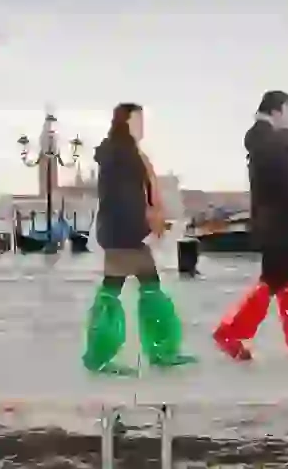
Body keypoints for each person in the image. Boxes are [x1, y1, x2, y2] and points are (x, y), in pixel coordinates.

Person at [212, 90, 288, 361]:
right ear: (277, 111)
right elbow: (281, 187)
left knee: (284, 280)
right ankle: (232, 332)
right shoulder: (269, 142)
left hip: (276, 222)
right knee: (278, 280)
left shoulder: (265, 141)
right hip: (279, 223)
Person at [82, 103, 195, 374]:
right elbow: (125, 197)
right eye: (138, 121)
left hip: (122, 232)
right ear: (126, 122)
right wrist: (145, 226)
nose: (142, 126)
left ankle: (156, 350)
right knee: (124, 289)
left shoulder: (121, 152)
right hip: (125, 233)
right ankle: (105, 355)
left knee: (141, 287)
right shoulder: (122, 154)